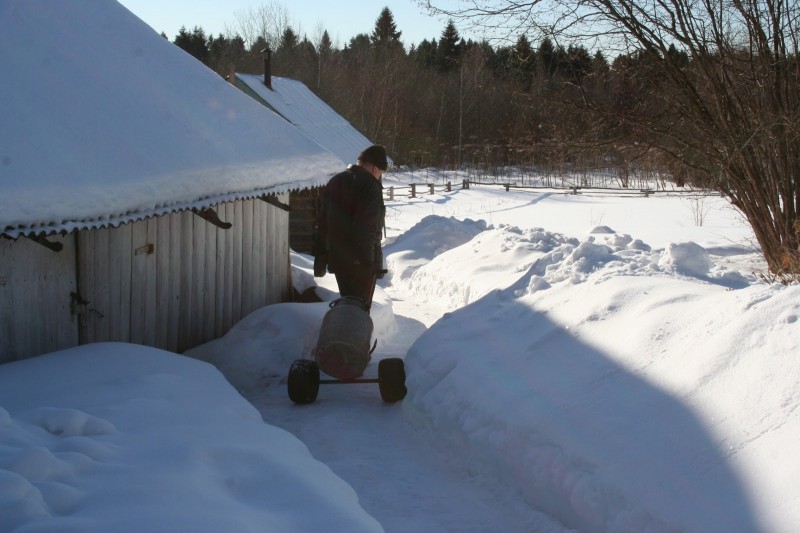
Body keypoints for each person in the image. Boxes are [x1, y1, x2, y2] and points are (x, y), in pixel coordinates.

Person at [313, 145, 388, 311]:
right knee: (359, 309)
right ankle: (354, 335)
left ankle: (344, 331)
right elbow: (366, 228)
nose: (379, 177)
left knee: (347, 302)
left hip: (338, 259)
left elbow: (322, 222)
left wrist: (321, 256)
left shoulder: (335, 181)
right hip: (360, 261)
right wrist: (368, 263)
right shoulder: (369, 186)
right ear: (375, 168)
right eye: (380, 173)